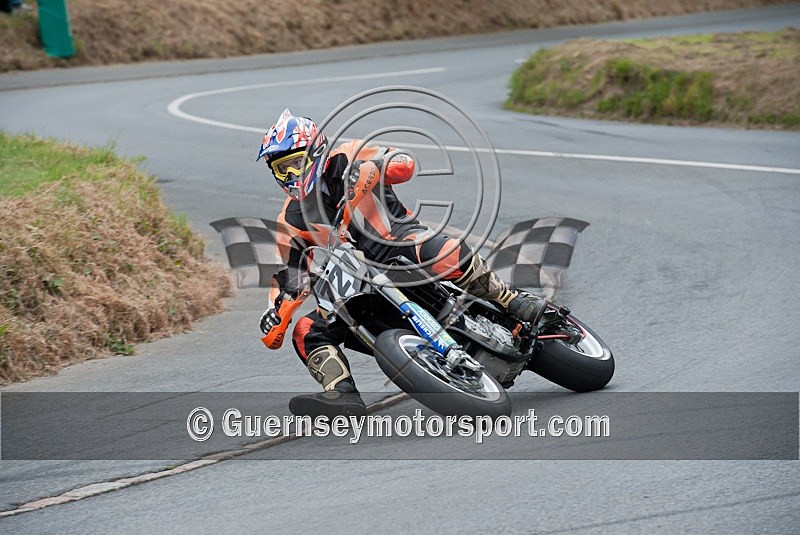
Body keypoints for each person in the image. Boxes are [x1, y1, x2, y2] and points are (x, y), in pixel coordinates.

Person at [256, 108, 547, 418]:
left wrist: (372, 168)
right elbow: (290, 274)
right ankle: (341, 393)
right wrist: (275, 313)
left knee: (448, 253)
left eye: (295, 163)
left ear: (316, 151)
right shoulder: (291, 218)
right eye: (281, 169)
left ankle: (510, 299)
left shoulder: (349, 153)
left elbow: (404, 162)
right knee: (307, 330)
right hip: (360, 279)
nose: (290, 175)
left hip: (401, 242)